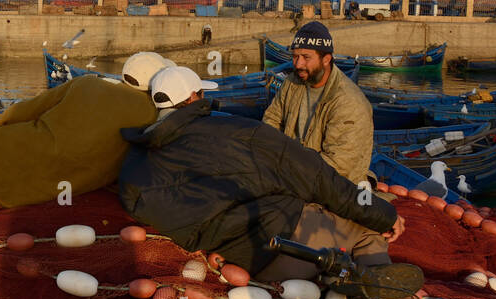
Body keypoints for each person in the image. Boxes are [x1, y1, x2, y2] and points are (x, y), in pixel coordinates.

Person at [119, 65, 403, 281]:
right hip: (282, 242)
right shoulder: (240, 132)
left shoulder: (135, 166)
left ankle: (343, 284)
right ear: (195, 96)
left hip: (242, 260)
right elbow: (318, 178)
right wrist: (384, 216)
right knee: (367, 232)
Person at [0, 53, 172, 245]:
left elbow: (26, 109)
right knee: (33, 186)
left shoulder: (86, 83)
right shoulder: (151, 113)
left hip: (16, 150)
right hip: (60, 183)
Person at [262, 21, 374, 186]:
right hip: (291, 172)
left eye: (306, 57)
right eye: (295, 56)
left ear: (326, 59)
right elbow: (272, 120)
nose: (298, 64)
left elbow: (338, 166)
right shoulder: (293, 82)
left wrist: (286, 168)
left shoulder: (349, 103)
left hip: (333, 187)